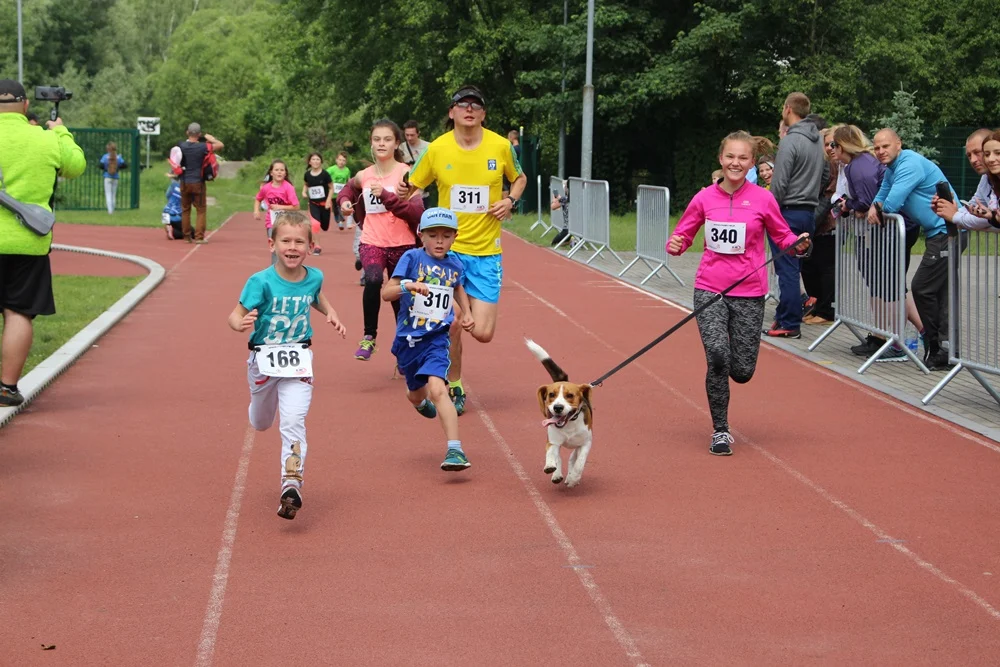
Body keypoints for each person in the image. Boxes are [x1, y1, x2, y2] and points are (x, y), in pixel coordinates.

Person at [666, 131, 810, 456]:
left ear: (751, 163)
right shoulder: (704, 198)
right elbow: (682, 234)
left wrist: (796, 244)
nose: (735, 163)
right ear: (721, 159)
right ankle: (720, 430)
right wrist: (675, 245)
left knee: (742, 371)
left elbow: (783, 235)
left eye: (742, 158)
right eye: (730, 156)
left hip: (750, 291)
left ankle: (732, 371)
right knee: (717, 357)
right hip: (710, 289)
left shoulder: (763, 199)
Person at [399, 85, 526, 415]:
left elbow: (520, 178)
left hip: (486, 252)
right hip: (445, 253)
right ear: (451, 112)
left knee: (482, 332)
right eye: (461, 104)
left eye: (475, 105)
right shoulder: (438, 149)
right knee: (452, 322)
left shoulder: (499, 146)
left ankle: (435, 358)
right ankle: (452, 383)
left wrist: (510, 200)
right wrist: (402, 186)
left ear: (483, 113)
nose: (468, 109)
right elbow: (413, 184)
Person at [227, 212, 347, 519]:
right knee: (261, 422)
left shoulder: (314, 276)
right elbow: (234, 315)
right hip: (264, 360)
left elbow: (314, 296)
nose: (292, 247)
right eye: (286, 241)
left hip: (299, 360)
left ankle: (290, 483)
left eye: (299, 242)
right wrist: (241, 324)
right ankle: (257, 406)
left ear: (310, 246)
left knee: (293, 421)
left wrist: (330, 312)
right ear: (272, 244)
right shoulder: (260, 282)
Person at [0, 79, 86, 407]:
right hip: (27, 242)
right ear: (24, 106)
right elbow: (75, 166)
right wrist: (60, 131)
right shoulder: (44, 139)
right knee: (18, 312)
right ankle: (7, 387)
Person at [381, 207, 475, 471]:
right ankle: (418, 402)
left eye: (446, 235)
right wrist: (408, 286)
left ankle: (455, 450)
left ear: (455, 236)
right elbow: (386, 294)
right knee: (415, 394)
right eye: (433, 235)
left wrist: (466, 313)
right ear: (421, 235)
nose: (440, 241)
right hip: (408, 340)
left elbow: (457, 286)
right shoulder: (411, 258)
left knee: (438, 389)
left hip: (436, 339)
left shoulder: (455, 263)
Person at [868, 128, 957, 371]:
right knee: (940, 293)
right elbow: (882, 195)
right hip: (936, 233)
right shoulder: (892, 169)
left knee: (921, 287)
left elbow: (892, 202)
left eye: (885, 146)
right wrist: (874, 207)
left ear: (899, 144)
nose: (880, 151)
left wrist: (877, 208)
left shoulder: (909, 163)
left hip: (947, 232)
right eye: (876, 147)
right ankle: (943, 350)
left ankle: (935, 341)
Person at [833, 124, 923, 361]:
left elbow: (868, 201)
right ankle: (886, 335)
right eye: (878, 146)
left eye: (833, 145)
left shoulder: (858, 167)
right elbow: (874, 199)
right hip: (887, 229)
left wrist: (849, 206)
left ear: (842, 146)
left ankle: (897, 341)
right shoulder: (861, 164)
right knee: (886, 285)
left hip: (892, 229)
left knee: (890, 286)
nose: (831, 150)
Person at [337, 119, 423, 361]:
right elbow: (348, 189)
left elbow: (417, 213)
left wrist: (388, 197)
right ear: (371, 143)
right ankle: (369, 337)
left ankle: (405, 344)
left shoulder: (407, 173)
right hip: (372, 240)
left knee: (400, 296)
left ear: (397, 143)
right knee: (373, 280)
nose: (381, 143)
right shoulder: (364, 175)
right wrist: (344, 202)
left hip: (402, 244)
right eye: (377, 139)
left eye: (387, 139)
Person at [766, 92, 826, 338]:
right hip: (808, 211)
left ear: (788, 108)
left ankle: (789, 322)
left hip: (787, 211)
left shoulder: (791, 141)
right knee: (794, 266)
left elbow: (779, 183)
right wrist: (810, 192)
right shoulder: (817, 141)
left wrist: (770, 209)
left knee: (786, 269)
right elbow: (824, 176)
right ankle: (784, 317)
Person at [931, 128, 997, 231]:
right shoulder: (986, 178)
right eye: (969, 156)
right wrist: (947, 208)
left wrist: (955, 216)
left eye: (977, 152)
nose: (973, 160)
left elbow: (986, 219)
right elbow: (976, 210)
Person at [168, 123, 224, 244]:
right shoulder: (204, 147)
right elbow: (220, 145)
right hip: (198, 182)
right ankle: (199, 237)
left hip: (184, 181)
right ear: (199, 134)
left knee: (185, 209)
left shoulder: (181, 145)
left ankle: (187, 237)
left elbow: (174, 157)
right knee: (201, 210)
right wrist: (212, 139)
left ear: (187, 132)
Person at [254, 160, 300, 260]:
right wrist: (256, 211)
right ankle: (275, 272)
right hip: (271, 223)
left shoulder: (288, 188)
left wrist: (280, 207)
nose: (279, 172)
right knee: (274, 248)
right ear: (271, 173)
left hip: (287, 222)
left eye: (282, 170)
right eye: (276, 170)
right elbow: (258, 199)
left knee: (284, 249)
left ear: (285, 173)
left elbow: (296, 207)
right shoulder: (266, 188)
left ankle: (286, 269)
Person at [301, 152, 334, 255]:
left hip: (324, 204)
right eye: (313, 159)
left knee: (324, 226)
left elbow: (331, 188)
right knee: (315, 224)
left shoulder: (325, 174)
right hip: (313, 203)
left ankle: (317, 239)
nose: (315, 161)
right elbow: (306, 184)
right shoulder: (307, 174)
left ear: (321, 162)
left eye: (317, 159)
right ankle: (317, 246)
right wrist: (303, 191)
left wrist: (328, 201)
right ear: (310, 162)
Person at [326, 151, 352, 230]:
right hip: (333, 193)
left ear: (346, 162)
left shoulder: (347, 170)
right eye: (340, 160)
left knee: (340, 206)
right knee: (335, 207)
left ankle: (341, 218)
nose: (341, 162)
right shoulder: (331, 169)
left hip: (342, 193)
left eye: (343, 160)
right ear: (336, 160)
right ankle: (339, 220)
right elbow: (324, 176)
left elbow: (348, 180)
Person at [99, 142, 127, 215]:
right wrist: (117, 167)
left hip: (107, 177)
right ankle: (113, 210)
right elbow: (125, 165)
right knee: (113, 194)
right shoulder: (118, 157)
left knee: (108, 194)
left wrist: (106, 168)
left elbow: (100, 165)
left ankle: (110, 211)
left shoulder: (105, 157)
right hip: (115, 177)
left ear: (108, 149)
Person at [162, 175, 184, 240]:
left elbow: (167, 195)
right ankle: (173, 231)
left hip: (165, 212)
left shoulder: (173, 185)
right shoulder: (185, 188)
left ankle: (169, 227)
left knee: (180, 229)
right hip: (176, 215)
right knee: (191, 233)